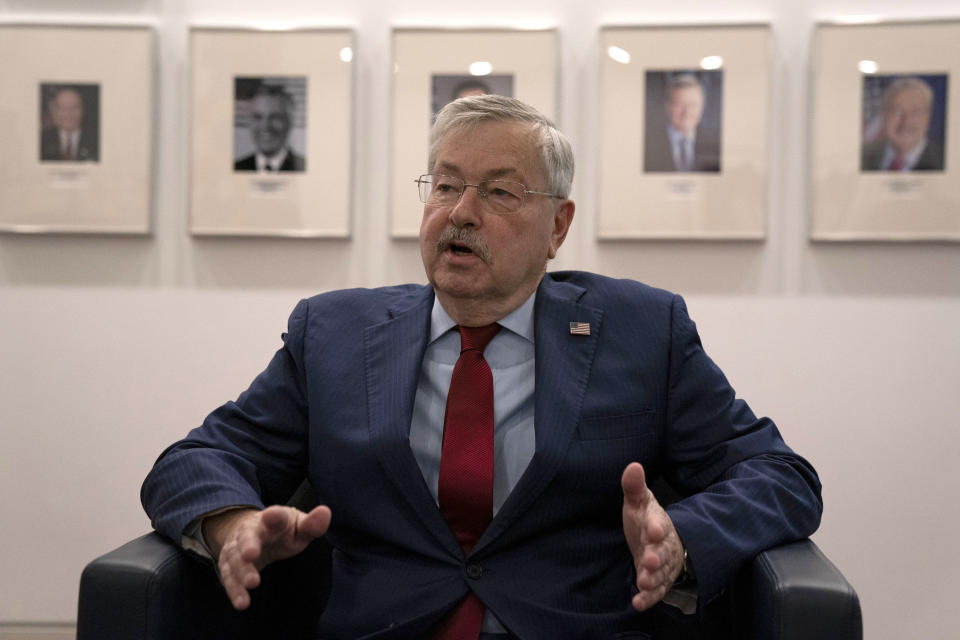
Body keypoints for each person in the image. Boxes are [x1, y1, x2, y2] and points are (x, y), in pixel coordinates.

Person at [143, 95, 821, 639]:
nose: (460, 213)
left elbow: (781, 476)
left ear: (558, 226)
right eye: (445, 185)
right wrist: (230, 522)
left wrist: (682, 541)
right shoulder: (333, 333)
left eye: (499, 193)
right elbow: (196, 458)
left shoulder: (643, 332)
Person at [861, 76, 944, 172]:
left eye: (915, 111)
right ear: (884, 115)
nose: (906, 121)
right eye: (897, 111)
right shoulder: (863, 157)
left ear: (928, 116)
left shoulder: (945, 159)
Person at [644, 73, 720, 173]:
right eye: (680, 104)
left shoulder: (715, 144)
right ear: (667, 106)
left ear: (702, 106)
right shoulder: (648, 144)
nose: (686, 112)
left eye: (693, 105)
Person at [234, 84, 306, 173]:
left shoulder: (304, 168)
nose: (265, 125)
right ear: (250, 123)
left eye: (275, 117)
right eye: (258, 117)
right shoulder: (237, 168)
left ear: (289, 123)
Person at [39, 86, 99, 162]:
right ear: (55, 111)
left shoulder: (97, 140)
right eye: (63, 108)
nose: (68, 113)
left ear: (83, 110)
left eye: (74, 107)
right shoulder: (41, 140)